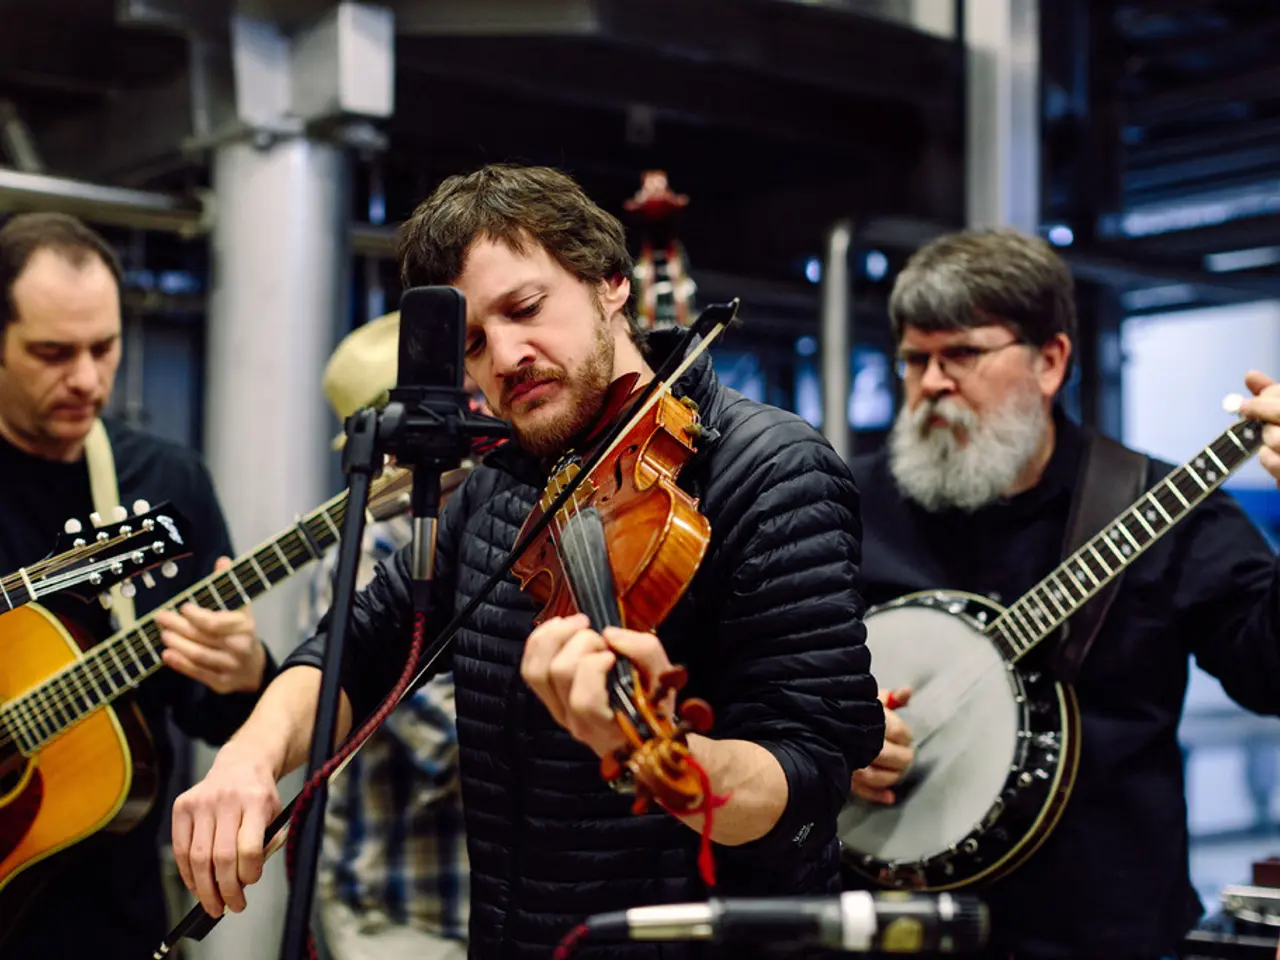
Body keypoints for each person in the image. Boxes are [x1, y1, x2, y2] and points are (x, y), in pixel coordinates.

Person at [171, 162, 886, 960]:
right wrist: (248, 755)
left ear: (611, 284)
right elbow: (358, 647)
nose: (507, 355)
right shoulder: (499, 489)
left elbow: (806, 779)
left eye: (526, 308)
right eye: (475, 342)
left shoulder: (771, 470)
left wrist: (661, 756)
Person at [847, 225, 1280, 960]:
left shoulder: (1165, 506)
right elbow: (760, 676)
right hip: (888, 924)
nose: (931, 384)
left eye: (963, 354)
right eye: (915, 360)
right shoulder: (844, 504)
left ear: (1050, 362)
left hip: (1101, 933)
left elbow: (1269, 675)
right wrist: (835, 741)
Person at [0, 211, 276, 960]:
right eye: (53, 353)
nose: (87, 379)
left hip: (112, 924)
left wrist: (244, 673)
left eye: (105, 347)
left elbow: (214, 719)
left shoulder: (164, 483)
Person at [302, 310, 469, 960]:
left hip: (485, 907)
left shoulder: (489, 528)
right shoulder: (367, 548)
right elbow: (445, 737)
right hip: (402, 914)